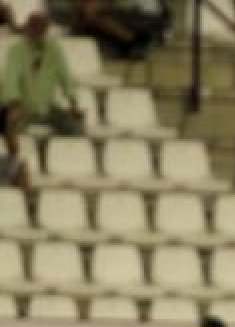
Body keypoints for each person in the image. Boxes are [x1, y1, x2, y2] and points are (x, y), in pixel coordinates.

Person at [0, 12, 84, 198]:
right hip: (23, 106)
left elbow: (66, 77)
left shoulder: (54, 50)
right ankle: (25, 166)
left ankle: (46, 164)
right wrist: (14, 102)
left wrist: (73, 102)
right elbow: (11, 79)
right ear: (28, 29)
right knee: (13, 127)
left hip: (46, 106)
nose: (37, 33)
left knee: (76, 128)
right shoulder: (16, 50)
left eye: (41, 29)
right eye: (34, 28)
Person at [70, 0, 171, 60]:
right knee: (94, 18)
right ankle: (135, 43)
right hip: (145, 21)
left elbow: (89, 11)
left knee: (95, 17)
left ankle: (136, 42)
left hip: (143, 19)